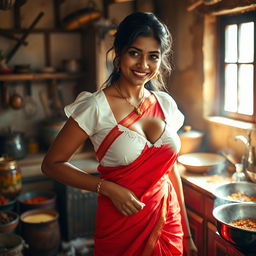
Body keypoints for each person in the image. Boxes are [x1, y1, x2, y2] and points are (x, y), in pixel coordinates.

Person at [41, 12, 198, 256]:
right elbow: (52, 165)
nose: (143, 65)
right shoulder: (96, 107)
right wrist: (108, 188)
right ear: (119, 52)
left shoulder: (165, 104)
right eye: (134, 53)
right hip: (121, 228)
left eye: (153, 57)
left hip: (168, 222)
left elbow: (170, 170)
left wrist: (187, 234)